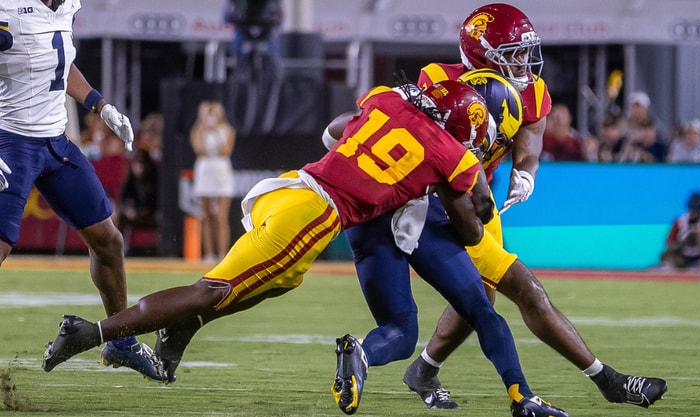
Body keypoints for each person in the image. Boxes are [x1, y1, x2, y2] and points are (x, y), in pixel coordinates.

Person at [41, 80, 566, 417]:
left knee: (269, 285)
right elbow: (474, 231)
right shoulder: (454, 152)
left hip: (293, 186)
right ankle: (94, 333)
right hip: (318, 212)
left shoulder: (388, 98)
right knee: (212, 290)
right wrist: (466, 185)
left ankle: (179, 332)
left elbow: (334, 130)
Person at [341, 3, 664, 411]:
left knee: (483, 299)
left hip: (478, 199)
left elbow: (529, 144)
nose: (523, 62)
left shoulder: (532, 91)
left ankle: (424, 369)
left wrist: (525, 173)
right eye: (512, 53)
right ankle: (606, 381)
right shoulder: (440, 82)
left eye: (525, 51)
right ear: (480, 54)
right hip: (439, 201)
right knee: (522, 289)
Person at [0, 0, 164, 381]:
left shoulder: (66, 5)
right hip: (12, 142)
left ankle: (120, 341)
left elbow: (60, 61)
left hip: (56, 142)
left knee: (108, 240)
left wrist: (99, 105)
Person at [190, 101, 236, 263]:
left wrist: (216, 131)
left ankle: (223, 254)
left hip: (221, 170)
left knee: (221, 216)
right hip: (205, 169)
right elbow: (199, 149)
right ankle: (209, 254)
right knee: (207, 215)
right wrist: (203, 128)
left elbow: (226, 150)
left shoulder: (228, 130)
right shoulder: (197, 131)